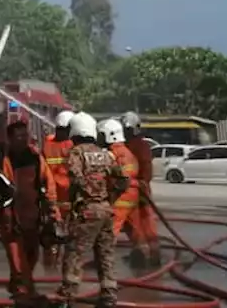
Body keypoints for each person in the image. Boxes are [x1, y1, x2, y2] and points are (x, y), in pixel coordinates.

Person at [0, 120, 60, 304]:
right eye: (19, 136)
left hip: (33, 215)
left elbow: (48, 182)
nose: (23, 140)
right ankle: (24, 293)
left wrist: (52, 211)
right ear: (10, 139)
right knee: (17, 259)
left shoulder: (35, 157)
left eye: (25, 136)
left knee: (31, 255)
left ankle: (18, 286)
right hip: (10, 218)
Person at [55, 112, 127, 308]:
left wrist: (86, 195)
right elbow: (123, 179)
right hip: (105, 211)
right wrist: (108, 198)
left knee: (74, 254)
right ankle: (109, 296)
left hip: (86, 212)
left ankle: (67, 298)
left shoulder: (76, 153)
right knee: (105, 255)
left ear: (75, 132)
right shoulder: (106, 154)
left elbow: (75, 177)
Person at [121, 111, 161, 266]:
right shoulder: (141, 144)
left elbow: (145, 168)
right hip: (142, 190)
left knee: (135, 224)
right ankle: (153, 254)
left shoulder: (133, 146)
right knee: (146, 222)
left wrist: (140, 183)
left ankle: (142, 256)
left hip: (135, 191)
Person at [41, 110, 76, 267]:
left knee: (51, 236)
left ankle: (49, 268)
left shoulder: (47, 143)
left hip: (51, 197)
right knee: (71, 238)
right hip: (68, 198)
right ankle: (67, 269)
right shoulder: (73, 145)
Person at [99, 120, 140, 249]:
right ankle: (146, 254)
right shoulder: (125, 151)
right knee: (133, 228)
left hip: (122, 195)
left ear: (109, 135)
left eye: (101, 135)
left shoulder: (114, 153)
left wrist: (111, 195)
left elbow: (120, 179)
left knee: (111, 229)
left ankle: (104, 260)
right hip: (132, 194)